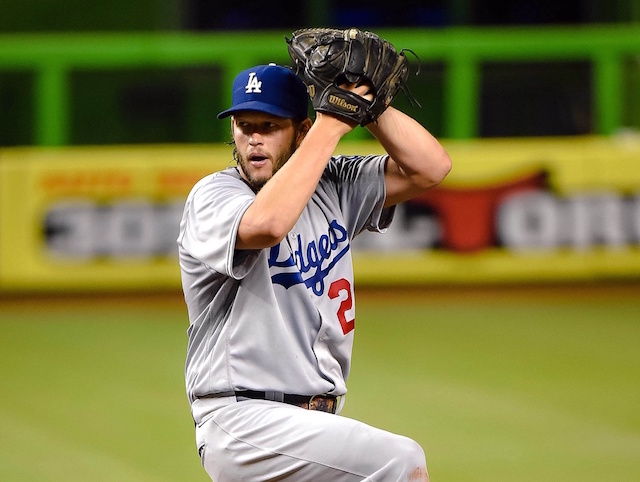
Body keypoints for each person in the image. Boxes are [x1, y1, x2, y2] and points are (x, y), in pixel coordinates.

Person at [177, 62, 451, 481]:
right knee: (400, 461)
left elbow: (430, 168)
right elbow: (266, 225)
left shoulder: (335, 186)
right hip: (243, 419)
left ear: (299, 131)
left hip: (313, 424)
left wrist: (370, 104)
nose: (253, 138)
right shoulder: (214, 195)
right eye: (243, 125)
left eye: (269, 125)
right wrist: (333, 126)